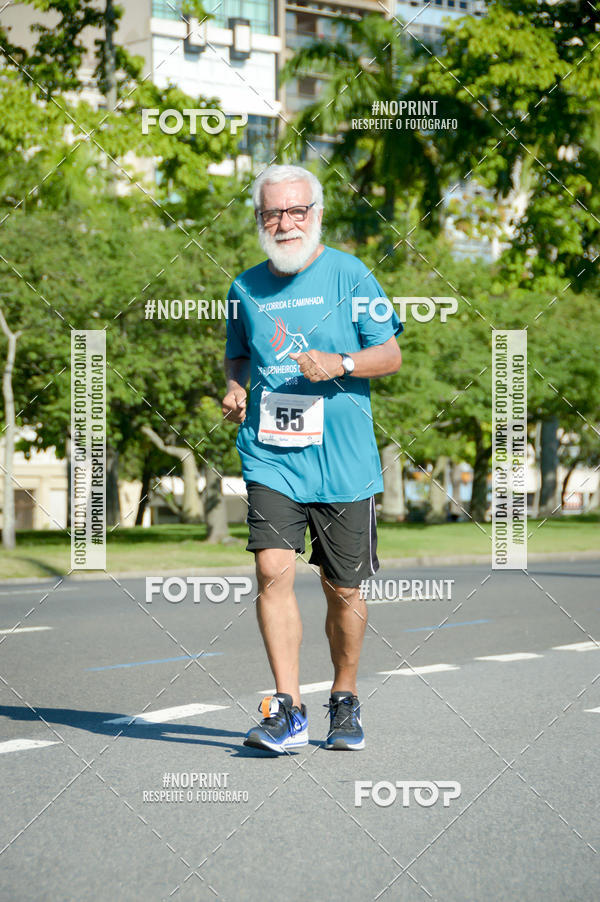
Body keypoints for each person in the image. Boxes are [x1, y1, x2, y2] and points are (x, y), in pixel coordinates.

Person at [221, 164, 403, 753]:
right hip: (270, 456)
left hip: (344, 461)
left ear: (316, 213)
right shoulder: (243, 288)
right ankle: (287, 708)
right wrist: (234, 388)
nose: (285, 222)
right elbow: (239, 357)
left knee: (342, 589)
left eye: (296, 211)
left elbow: (391, 353)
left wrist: (342, 363)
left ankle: (343, 697)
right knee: (271, 571)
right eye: (273, 213)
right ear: (259, 220)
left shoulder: (351, 274)